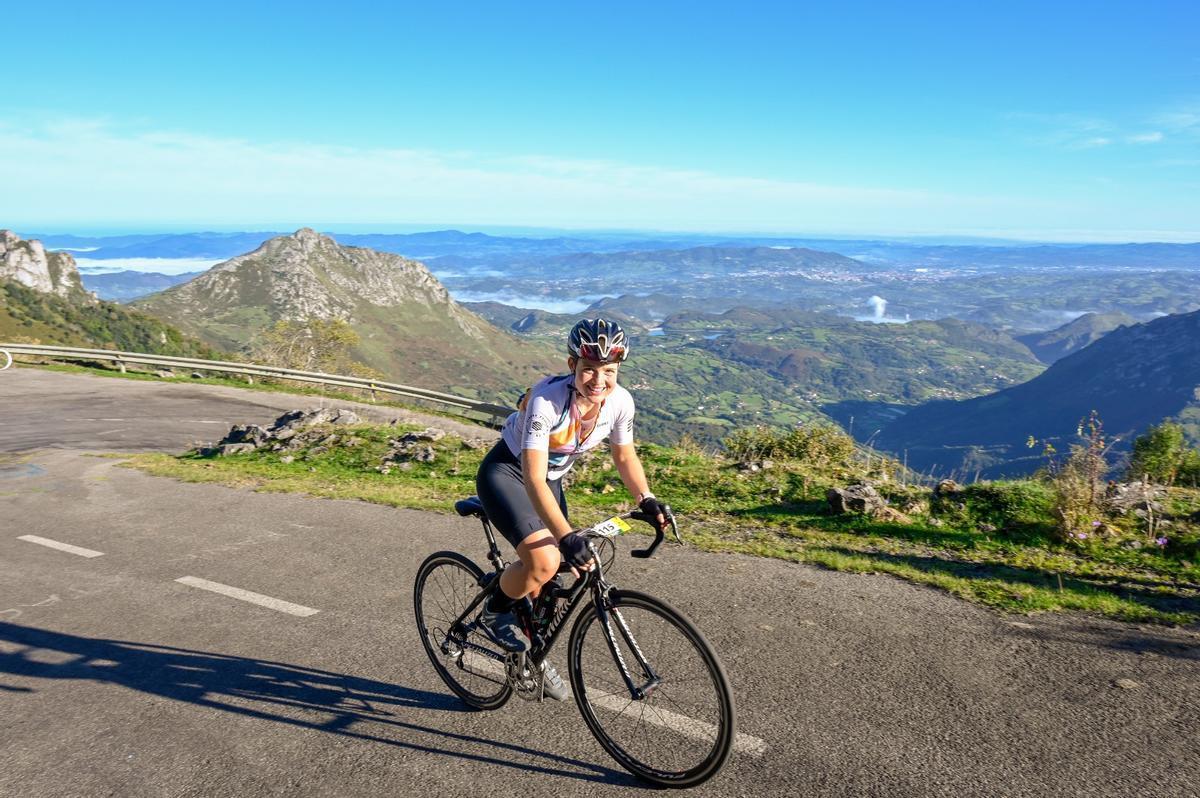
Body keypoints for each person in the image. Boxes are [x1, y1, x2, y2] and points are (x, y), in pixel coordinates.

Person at [474, 317, 670, 700]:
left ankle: (533, 655)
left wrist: (645, 498)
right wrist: (564, 536)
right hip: (509, 474)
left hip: (550, 480)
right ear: (572, 367)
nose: (599, 380)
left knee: (558, 574)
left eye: (609, 371)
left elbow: (624, 455)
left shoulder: (620, 402)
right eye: (589, 370)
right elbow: (532, 478)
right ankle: (495, 609)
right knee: (546, 560)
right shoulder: (547, 401)